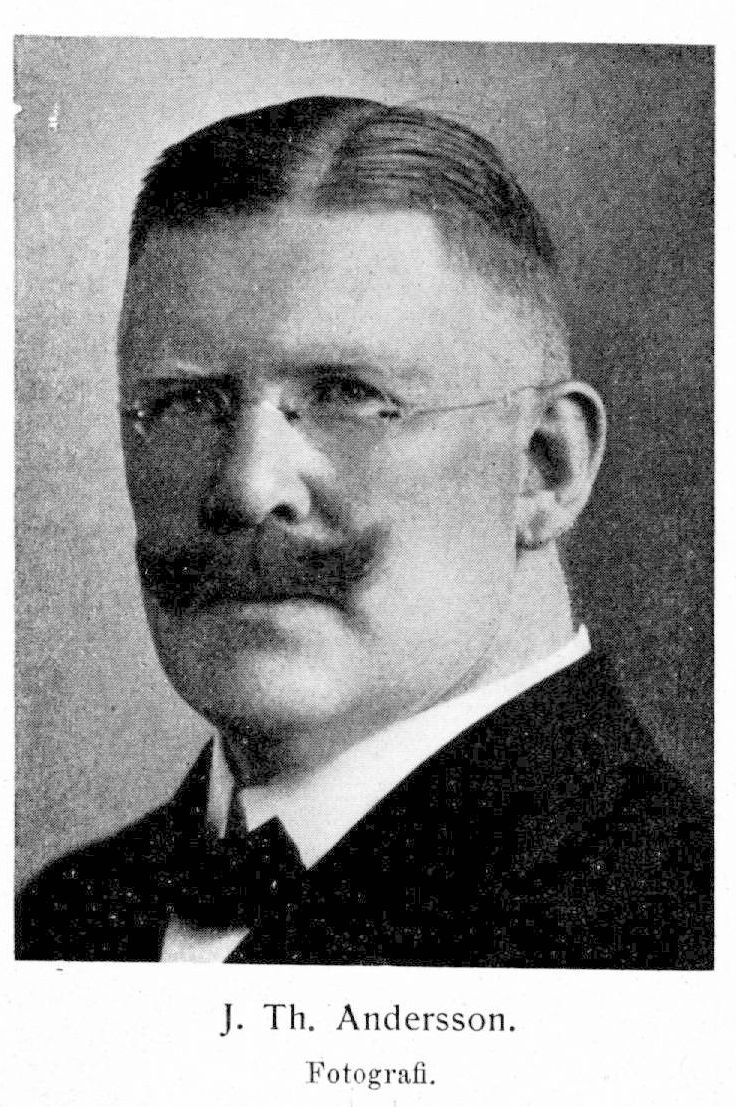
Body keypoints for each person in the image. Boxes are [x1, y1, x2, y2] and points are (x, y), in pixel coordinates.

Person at [17, 96, 712, 966]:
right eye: (185, 402)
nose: (246, 487)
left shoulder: (680, 927)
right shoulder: (58, 918)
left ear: (544, 467)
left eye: (349, 395)